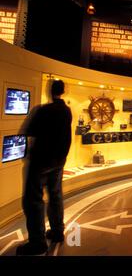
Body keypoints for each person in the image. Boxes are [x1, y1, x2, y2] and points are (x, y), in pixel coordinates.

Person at [16, 80, 72, 256]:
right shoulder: (67, 111)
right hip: (59, 160)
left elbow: (26, 132)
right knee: (55, 195)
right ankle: (57, 231)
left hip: (41, 161)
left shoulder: (43, 110)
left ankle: (38, 243)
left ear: (50, 90)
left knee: (33, 201)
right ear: (63, 91)